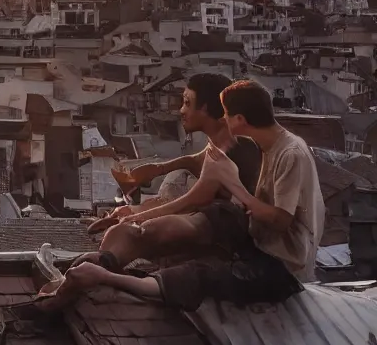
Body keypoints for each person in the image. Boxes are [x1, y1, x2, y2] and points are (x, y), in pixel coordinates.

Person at [50, 80, 323, 312]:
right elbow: (203, 161)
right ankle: (111, 256)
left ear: (240, 120)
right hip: (261, 236)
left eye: (227, 115)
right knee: (218, 214)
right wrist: (158, 169)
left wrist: (235, 186)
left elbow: (280, 221)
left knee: (201, 275)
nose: (223, 120)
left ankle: (107, 277)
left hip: (283, 264)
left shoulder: (290, 154)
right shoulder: (264, 142)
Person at [76, 73, 263, 272]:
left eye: (187, 103)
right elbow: (195, 160)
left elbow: (191, 200)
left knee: (142, 231)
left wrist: (136, 216)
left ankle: (103, 265)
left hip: (227, 235)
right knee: (125, 227)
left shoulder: (235, 145)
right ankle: (105, 261)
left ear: (205, 108)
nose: (181, 110)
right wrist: (157, 169)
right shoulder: (220, 143)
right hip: (209, 222)